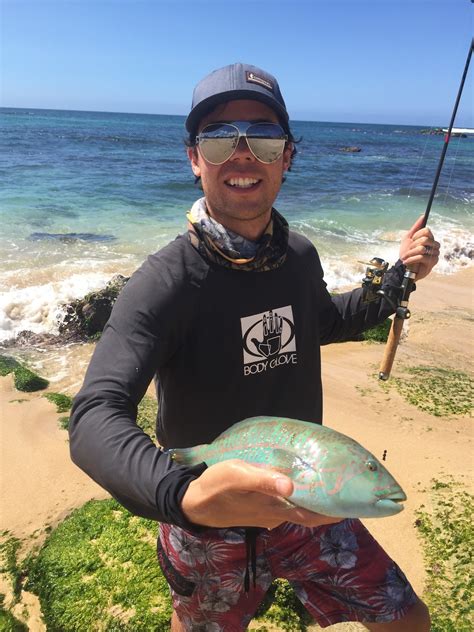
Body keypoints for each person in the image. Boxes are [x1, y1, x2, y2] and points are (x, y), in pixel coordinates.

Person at [69, 63, 439, 631]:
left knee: (407, 619)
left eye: (263, 138)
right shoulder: (164, 283)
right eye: (219, 138)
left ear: (287, 157)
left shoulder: (297, 255)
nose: (243, 155)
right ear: (195, 159)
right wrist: (184, 496)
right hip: (209, 525)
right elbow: (94, 415)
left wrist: (393, 284)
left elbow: (321, 321)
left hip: (311, 504)